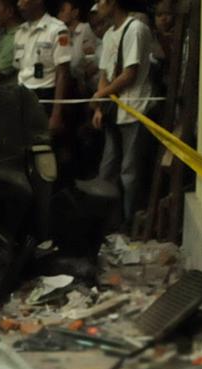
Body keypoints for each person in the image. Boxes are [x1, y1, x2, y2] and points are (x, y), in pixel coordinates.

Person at [91, 0, 158, 226]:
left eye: (101, 2)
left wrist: (102, 95)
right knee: (107, 168)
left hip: (133, 107)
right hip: (113, 110)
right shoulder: (110, 34)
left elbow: (129, 73)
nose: (98, 7)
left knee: (129, 172)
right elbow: (105, 73)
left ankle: (129, 222)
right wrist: (100, 106)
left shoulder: (136, 29)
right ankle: (104, 222)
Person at [12, 0, 74, 134]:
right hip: (22, 96)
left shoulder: (58, 30)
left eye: (23, 0)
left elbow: (63, 73)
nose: (19, 4)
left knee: (47, 146)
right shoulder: (19, 32)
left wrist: (56, 114)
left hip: (46, 96)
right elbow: (19, 70)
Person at [58, 0, 100, 91]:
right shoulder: (62, 33)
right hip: (71, 82)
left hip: (90, 84)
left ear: (75, 13)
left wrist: (83, 77)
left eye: (62, 11)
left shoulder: (86, 28)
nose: (59, 15)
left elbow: (95, 58)